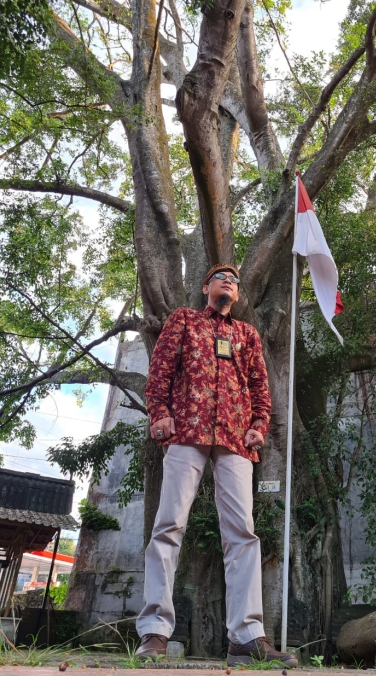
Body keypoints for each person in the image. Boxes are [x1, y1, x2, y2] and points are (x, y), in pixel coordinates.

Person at [134, 264, 297, 668]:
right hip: (187, 432)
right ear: (206, 287)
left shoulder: (247, 335)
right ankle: (154, 629)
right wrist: (159, 414)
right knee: (168, 526)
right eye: (220, 276)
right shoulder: (184, 320)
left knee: (242, 533)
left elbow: (261, 387)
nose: (229, 281)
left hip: (235, 440)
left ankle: (246, 637)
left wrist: (259, 426)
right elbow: (159, 373)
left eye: (235, 280)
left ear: (238, 294)